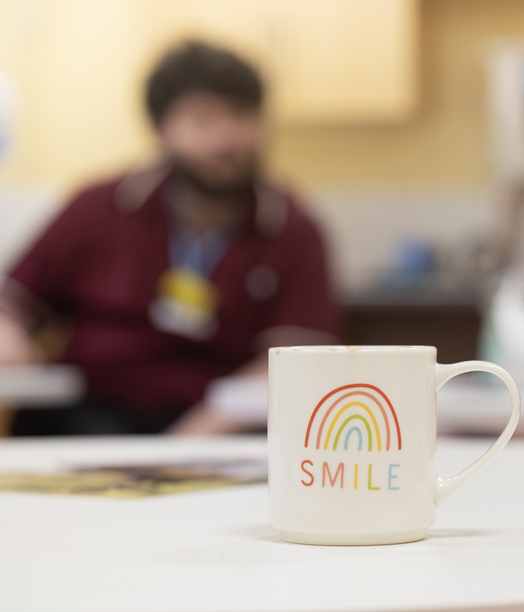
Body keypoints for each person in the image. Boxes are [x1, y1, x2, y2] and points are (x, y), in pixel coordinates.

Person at [0, 41, 338, 435]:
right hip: (85, 416)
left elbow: (295, 363)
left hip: (217, 428)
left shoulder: (293, 230)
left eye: (243, 116)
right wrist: (9, 337)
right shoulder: (98, 207)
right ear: (161, 129)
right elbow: (14, 303)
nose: (227, 139)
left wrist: (191, 440)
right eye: (203, 120)